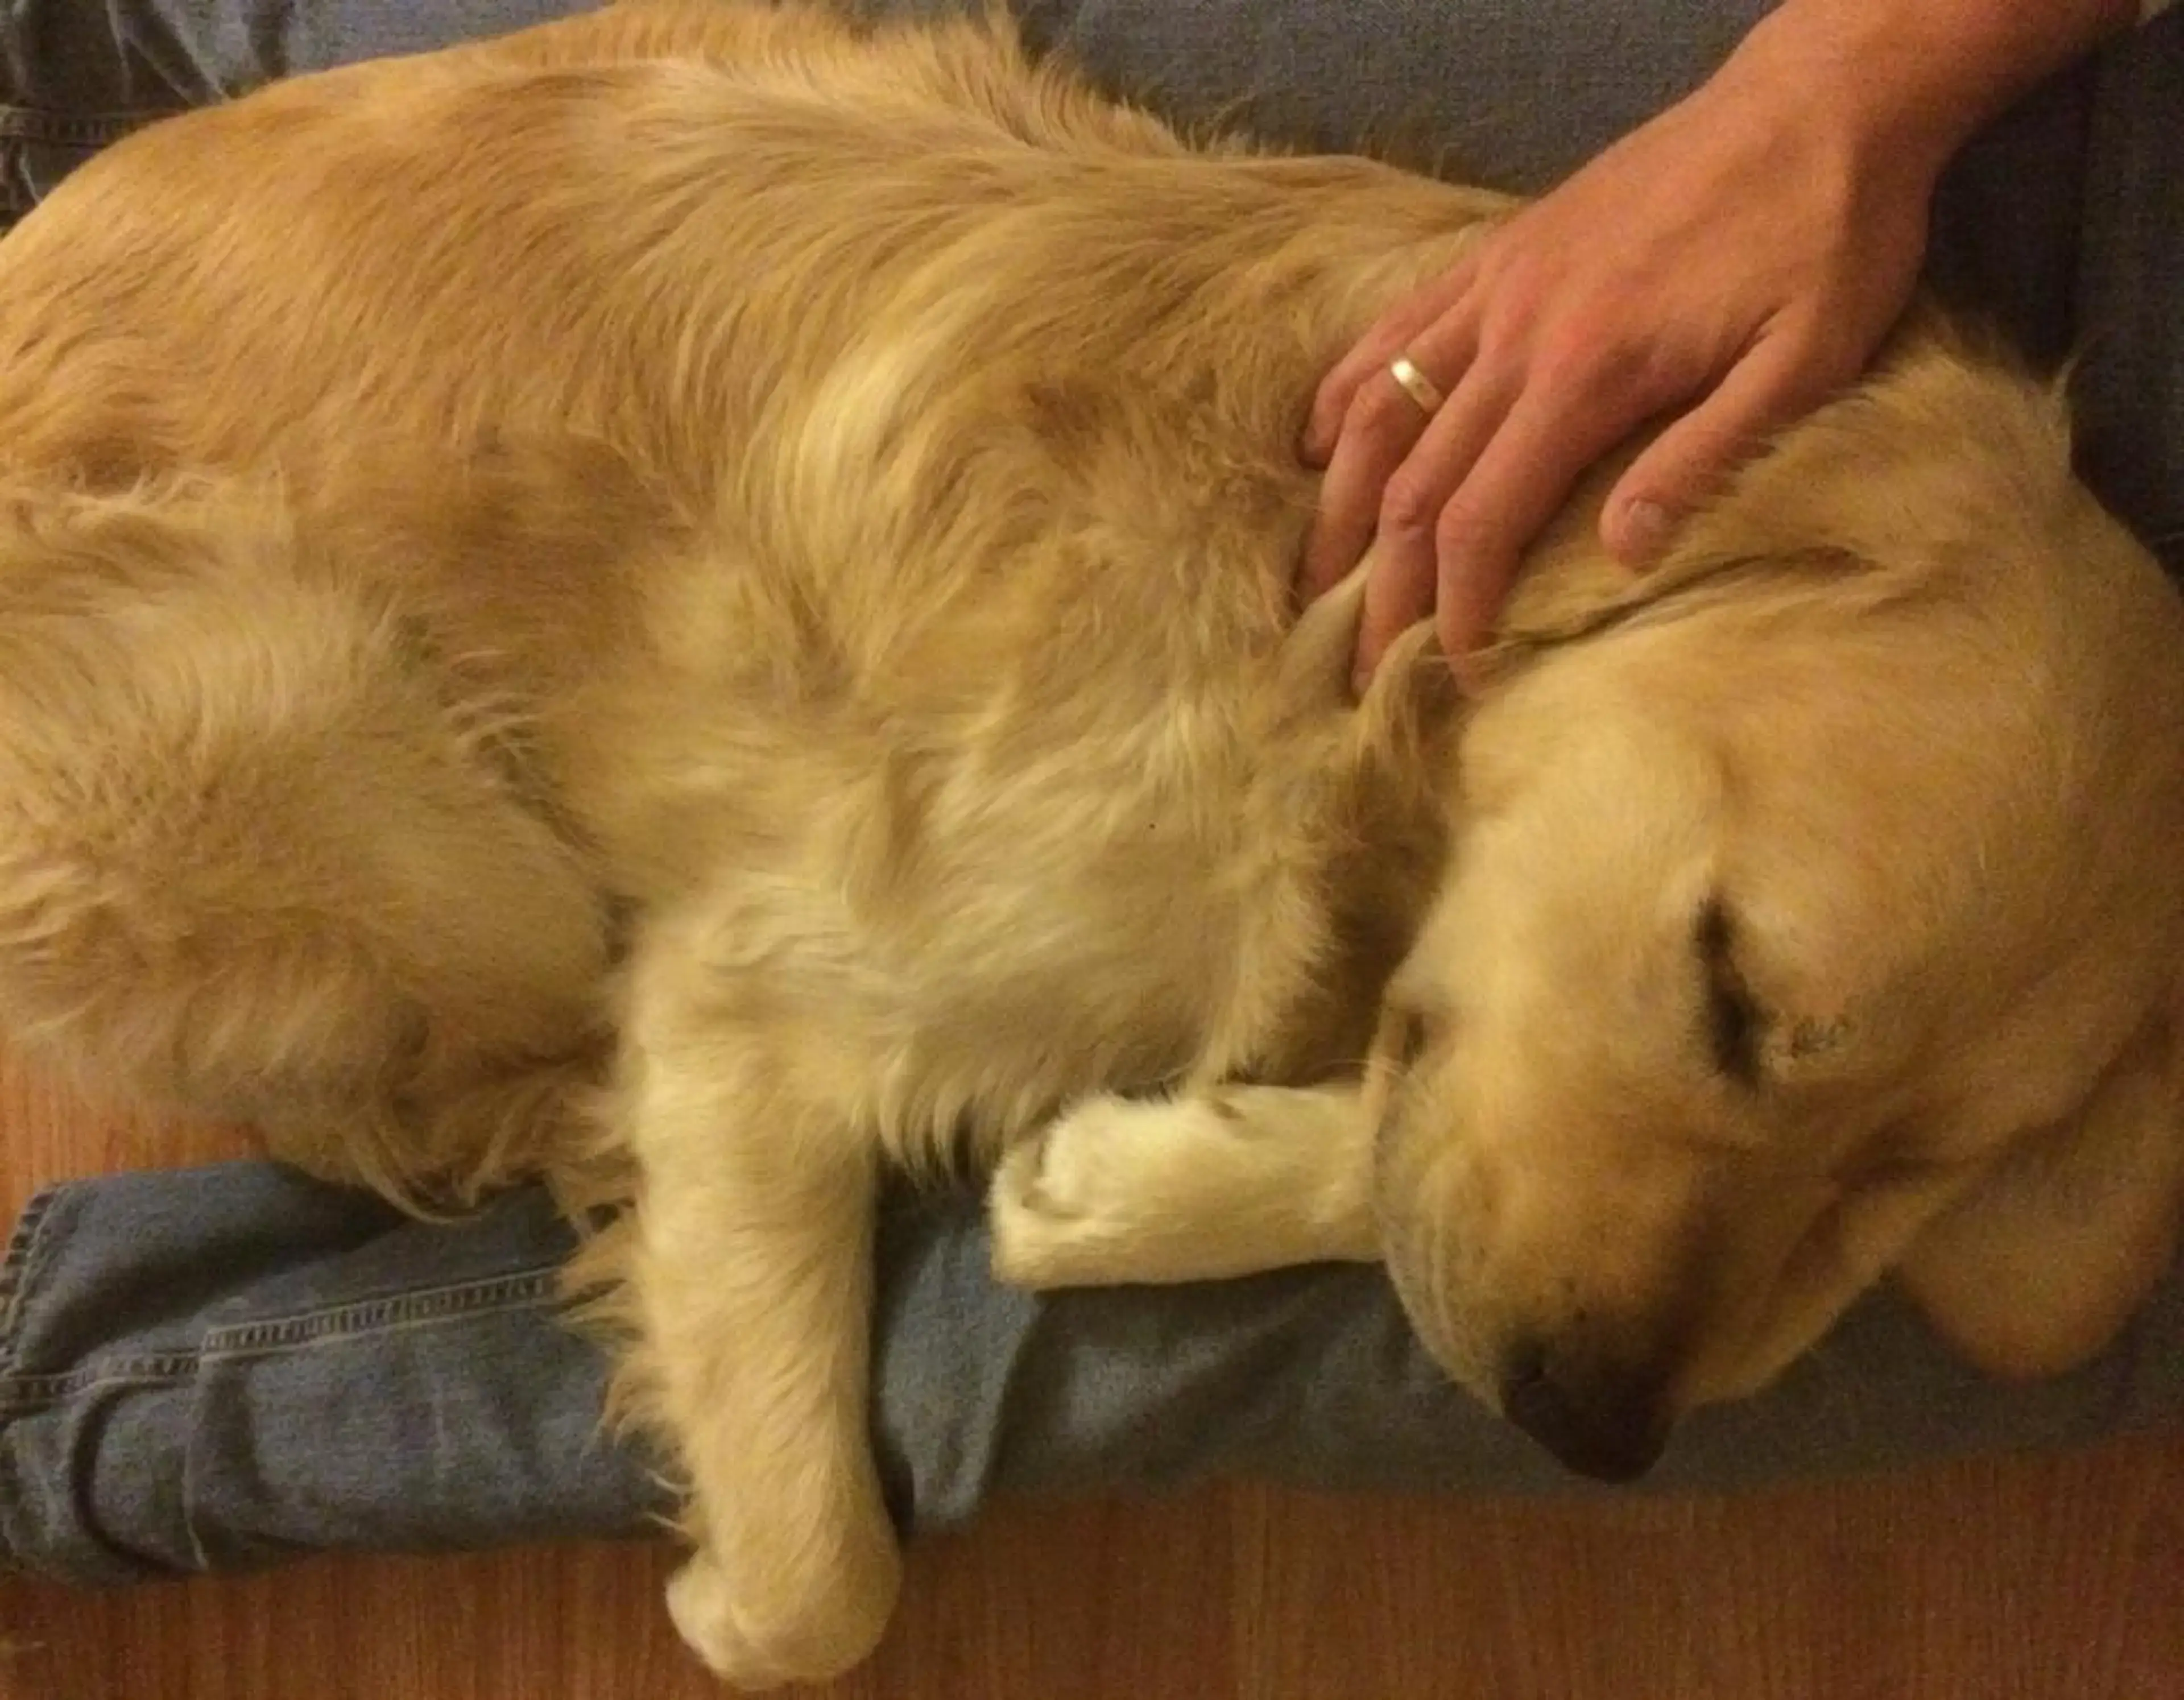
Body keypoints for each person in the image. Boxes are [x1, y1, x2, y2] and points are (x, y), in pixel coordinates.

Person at [3, 0, 2181, 1585]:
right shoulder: (1190, 766)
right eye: (1727, 989)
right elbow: (740, 1039)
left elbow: (2045, 1275)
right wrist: (1841, 88)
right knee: (1008, 1235)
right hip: (151, 667)